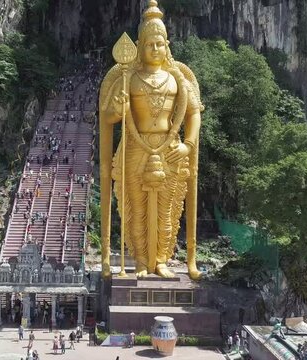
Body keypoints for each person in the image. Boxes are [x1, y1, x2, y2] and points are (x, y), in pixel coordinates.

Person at [99, 0, 204, 279]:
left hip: (170, 148)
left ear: (167, 44)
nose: (155, 49)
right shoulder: (128, 77)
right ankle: (142, 262)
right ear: (139, 46)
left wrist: (187, 145)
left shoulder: (178, 77)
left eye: (159, 44)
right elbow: (108, 117)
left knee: (167, 210)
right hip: (135, 146)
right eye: (149, 44)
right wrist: (118, 109)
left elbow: (194, 114)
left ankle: (161, 260)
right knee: (136, 207)